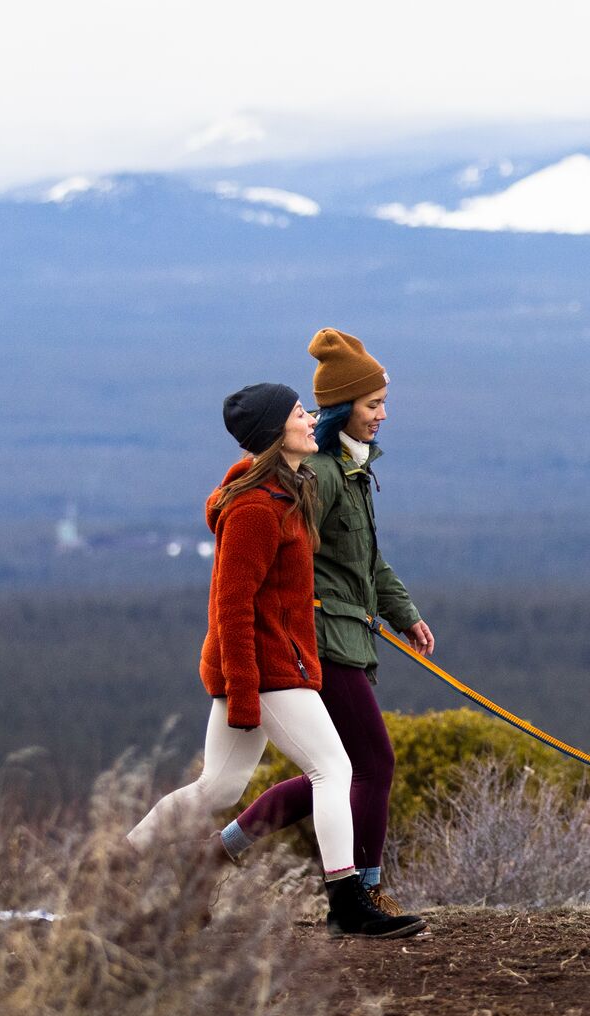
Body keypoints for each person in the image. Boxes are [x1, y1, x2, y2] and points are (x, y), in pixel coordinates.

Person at [126, 380, 424, 940]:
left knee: (216, 789)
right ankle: (347, 902)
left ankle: (115, 867)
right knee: (334, 771)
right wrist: (243, 691)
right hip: (265, 671)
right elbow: (231, 607)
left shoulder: (287, 495)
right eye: (297, 414)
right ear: (273, 435)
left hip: (269, 668)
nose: (311, 419)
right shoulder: (255, 510)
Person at [212, 330, 433, 918]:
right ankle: (362, 890)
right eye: (372, 405)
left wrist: (402, 613)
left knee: (334, 770)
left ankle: (222, 852)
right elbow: (291, 569)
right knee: (367, 764)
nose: (382, 415)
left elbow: (367, 560)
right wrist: (321, 622)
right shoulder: (325, 477)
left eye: (383, 403)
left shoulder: (351, 472)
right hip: (321, 643)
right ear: (343, 408)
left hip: (345, 635)